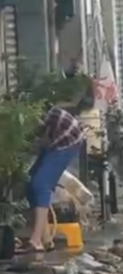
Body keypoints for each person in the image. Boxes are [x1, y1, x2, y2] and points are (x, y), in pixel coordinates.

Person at [24, 91, 92, 253]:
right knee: (30, 183)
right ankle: (45, 239)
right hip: (56, 141)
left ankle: (36, 240)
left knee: (40, 184)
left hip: (67, 143)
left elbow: (40, 138)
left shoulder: (42, 116)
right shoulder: (42, 116)